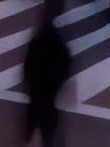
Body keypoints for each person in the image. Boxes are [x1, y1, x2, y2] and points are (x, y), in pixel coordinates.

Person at [23, 16, 71, 147]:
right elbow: (66, 62)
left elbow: (28, 64)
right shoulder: (58, 43)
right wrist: (60, 80)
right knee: (48, 118)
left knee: (33, 113)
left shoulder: (36, 41)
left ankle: (30, 135)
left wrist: (28, 79)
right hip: (50, 87)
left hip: (37, 86)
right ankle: (47, 139)